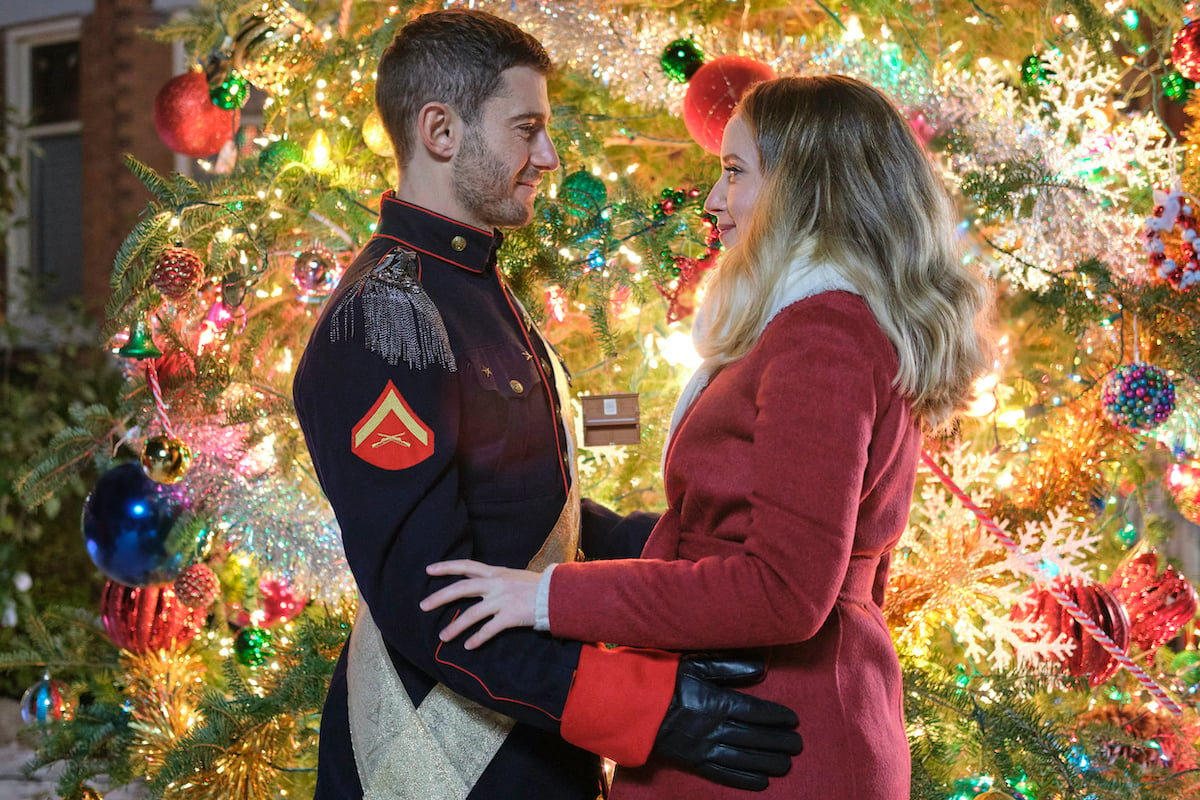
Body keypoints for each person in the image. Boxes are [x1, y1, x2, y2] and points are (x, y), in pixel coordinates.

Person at [421, 74, 996, 799]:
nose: (713, 200)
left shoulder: (825, 336)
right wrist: (573, 524)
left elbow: (784, 588)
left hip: (775, 742)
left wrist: (546, 599)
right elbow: (733, 531)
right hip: (759, 721)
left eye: (734, 172)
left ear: (804, 189)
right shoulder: (816, 326)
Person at [292, 9, 802, 800]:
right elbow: (432, 600)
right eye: (526, 129)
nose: (549, 156)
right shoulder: (385, 319)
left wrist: (696, 555)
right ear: (440, 130)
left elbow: (526, 517)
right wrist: (651, 709)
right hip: (442, 760)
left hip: (530, 739)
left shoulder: (472, 286)